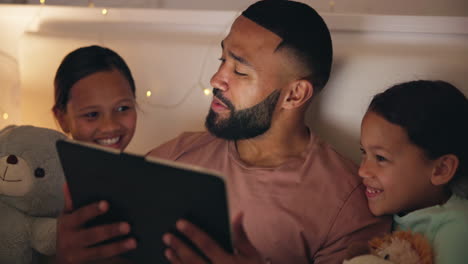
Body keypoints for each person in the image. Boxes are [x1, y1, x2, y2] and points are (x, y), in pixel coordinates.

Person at [149, 1, 391, 263]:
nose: (216, 79)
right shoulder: (178, 154)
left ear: (295, 95)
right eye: (222, 59)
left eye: (240, 71)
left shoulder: (346, 205)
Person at [359, 80, 468, 263]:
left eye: (381, 158)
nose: (363, 171)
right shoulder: (392, 208)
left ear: (441, 169)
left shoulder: (457, 228)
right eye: (363, 152)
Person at [52, 45, 138, 263]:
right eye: (91, 114)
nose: (110, 126)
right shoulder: (44, 185)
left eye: (123, 109)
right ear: (62, 118)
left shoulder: (150, 176)